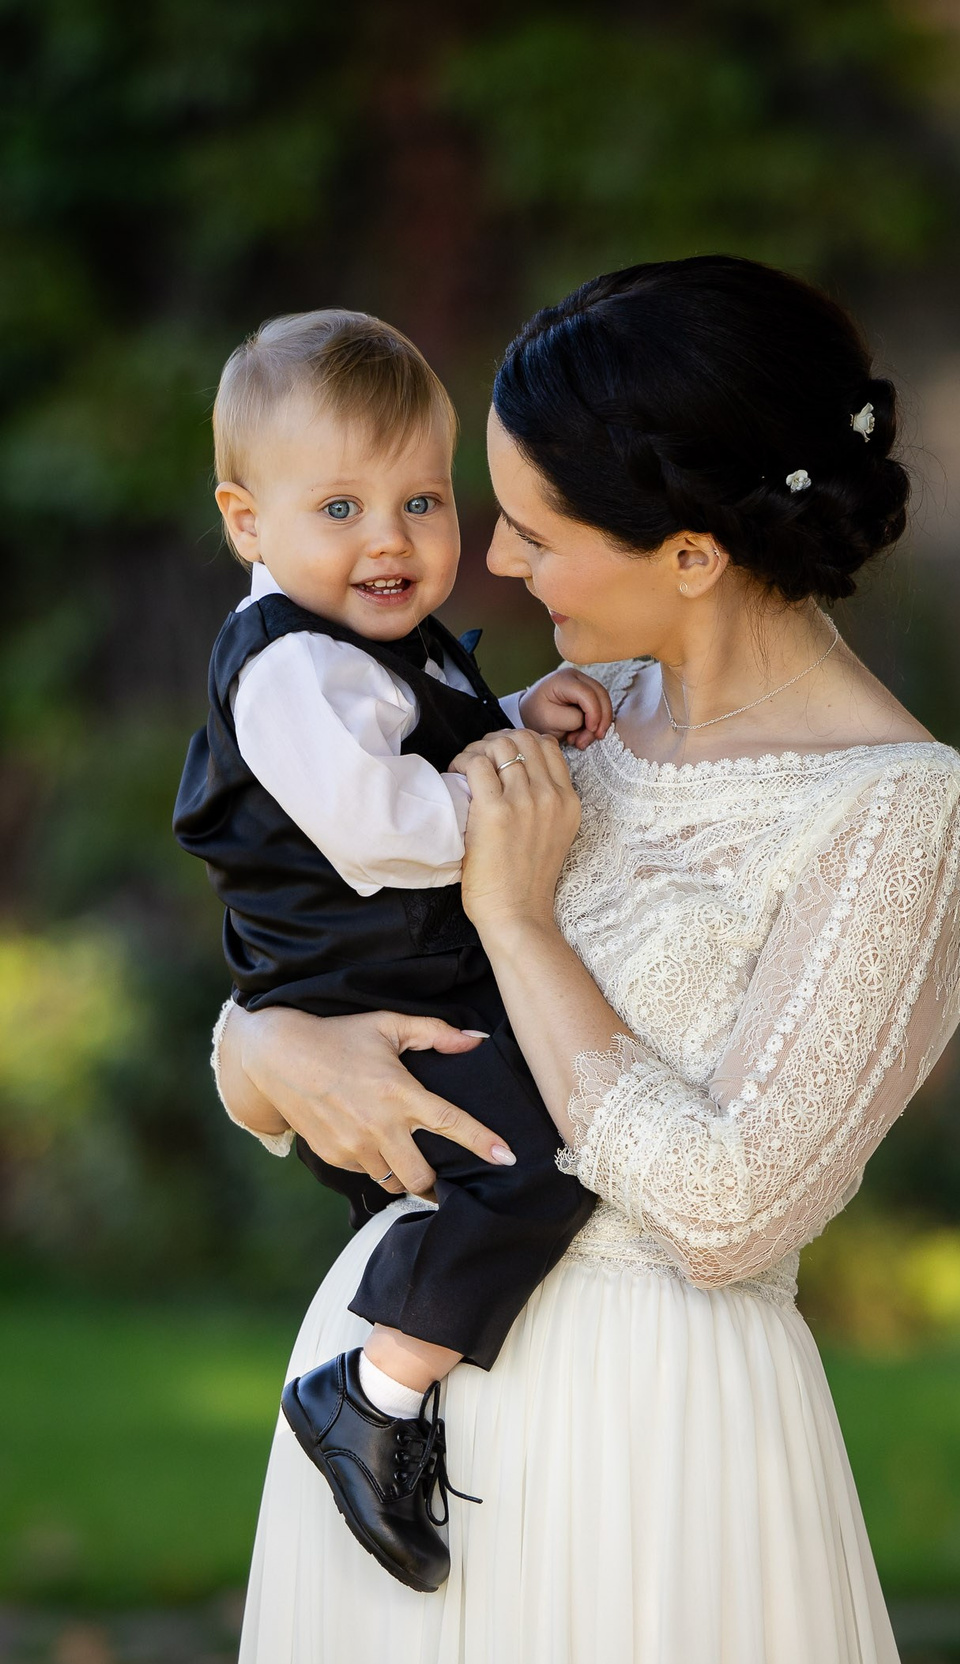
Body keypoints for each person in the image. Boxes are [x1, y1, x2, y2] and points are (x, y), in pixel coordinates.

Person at [212, 256, 960, 1664]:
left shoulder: (896, 810)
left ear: (690, 553)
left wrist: (521, 925)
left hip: (651, 1447)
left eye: (534, 530)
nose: (497, 563)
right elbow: (321, 954)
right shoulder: (570, 723)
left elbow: (731, 1207)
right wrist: (258, 1051)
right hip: (386, 1416)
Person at [172, 309, 615, 1592]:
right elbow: (379, 822)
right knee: (535, 1164)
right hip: (358, 991)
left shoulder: (360, 647)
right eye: (340, 509)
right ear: (246, 523)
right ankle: (369, 1395)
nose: (390, 539)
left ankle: (422, 1374)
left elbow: (417, 742)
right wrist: (510, 800)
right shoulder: (287, 668)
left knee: (485, 1170)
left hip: (400, 973)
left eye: (421, 501)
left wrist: (518, 718)